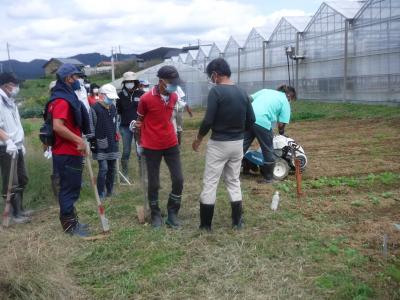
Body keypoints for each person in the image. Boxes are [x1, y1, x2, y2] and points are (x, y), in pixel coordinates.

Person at [192, 58, 255, 231]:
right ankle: (237, 222)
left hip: (219, 143)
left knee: (211, 182)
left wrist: (198, 138)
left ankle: (205, 226)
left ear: (215, 74)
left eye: (211, 76)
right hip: (237, 143)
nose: (211, 80)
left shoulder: (216, 92)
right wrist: (239, 133)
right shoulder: (243, 92)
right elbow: (252, 120)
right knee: (234, 181)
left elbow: (208, 121)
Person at [134, 65, 184, 228]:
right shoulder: (146, 99)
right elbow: (139, 122)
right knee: (154, 182)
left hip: (170, 143)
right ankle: (155, 213)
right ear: (161, 81)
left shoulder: (174, 97)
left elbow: (169, 117)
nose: (174, 85)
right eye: (171, 82)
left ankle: (172, 213)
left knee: (179, 179)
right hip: (152, 145)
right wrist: (139, 142)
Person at [46, 63, 91, 237]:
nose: (78, 80)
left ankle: (72, 221)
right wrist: (78, 140)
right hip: (66, 152)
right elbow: (58, 126)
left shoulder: (64, 96)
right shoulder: (62, 101)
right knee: (68, 189)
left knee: (71, 187)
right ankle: (70, 227)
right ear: (68, 79)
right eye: (76, 77)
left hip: (68, 151)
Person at [243, 85, 296, 183]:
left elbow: (248, 99)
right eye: (291, 99)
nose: (290, 101)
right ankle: (268, 178)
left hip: (248, 118)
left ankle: (236, 172)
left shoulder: (265, 90)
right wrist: (282, 133)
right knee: (268, 149)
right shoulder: (285, 102)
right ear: (289, 95)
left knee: (241, 146)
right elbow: (281, 124)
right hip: (262, 121)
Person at [0, 72, 31, 224]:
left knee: (22, 177)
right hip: (6, 147)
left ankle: (20, 209)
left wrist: (20, 143)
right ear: (6, 85)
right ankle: (14, 214)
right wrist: (8, 142)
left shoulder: (10, 100)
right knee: (11, 181)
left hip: (17, 145)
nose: (16, 87)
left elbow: (15, 124)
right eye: (14, 84)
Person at [89, 84, 120, 200]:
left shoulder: (113, 108)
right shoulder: (94, 108)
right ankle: (100, 192)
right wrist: (92, 142)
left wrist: (116, 134)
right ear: (101, 95)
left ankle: (110, 190)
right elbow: (91, 126)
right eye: (109, 97)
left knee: (112, 168)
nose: (111, 100)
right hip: (100, 143)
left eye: (112, 98)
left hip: (112, 142)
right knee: (103, 168)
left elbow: (115, 123)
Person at [116, 71, 144, 179]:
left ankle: (143, 174)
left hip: (139, 126)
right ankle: (125, 174)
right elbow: (118, 112)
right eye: (127, 82)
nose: (130, 83)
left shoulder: (141, 94)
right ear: (124, 83)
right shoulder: (120, 95)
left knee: (140, 151)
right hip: (125, 126)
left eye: (132, 81)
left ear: (135, 82)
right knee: (126, 151)